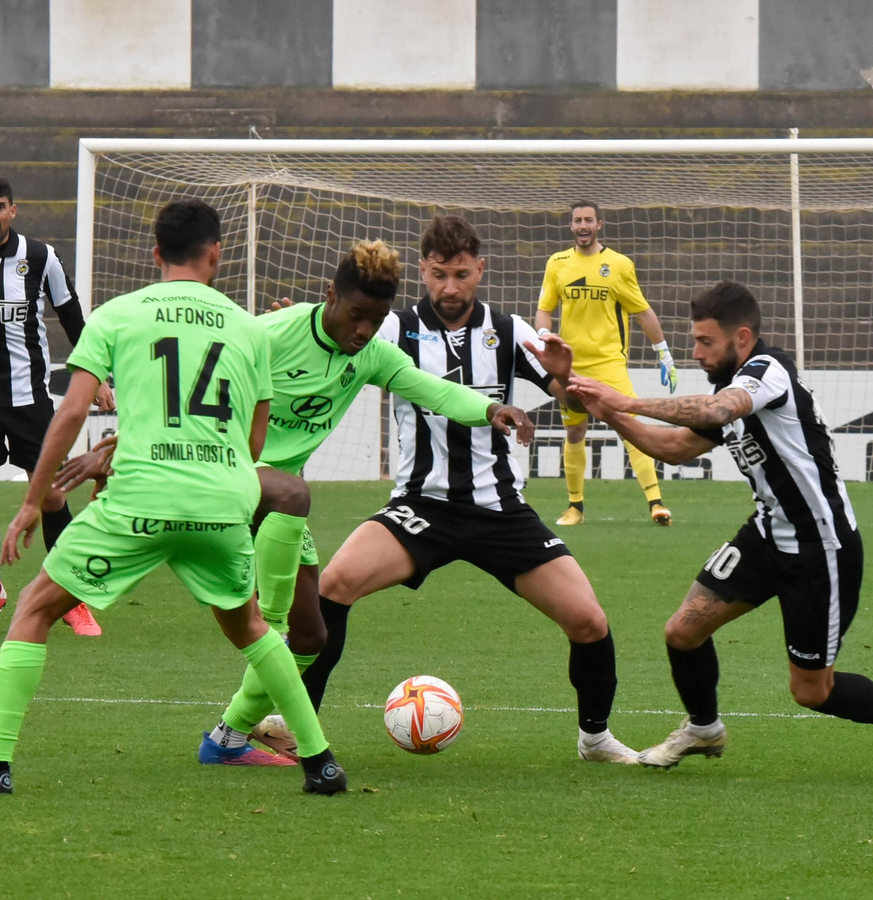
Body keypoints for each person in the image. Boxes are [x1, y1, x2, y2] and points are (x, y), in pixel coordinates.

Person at [58, 239, 534, 765]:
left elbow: (433, 390)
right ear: (330, 295)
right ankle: (269, 622)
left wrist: (490, 408)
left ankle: (228, 738)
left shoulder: (371, 354)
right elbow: (190, 389)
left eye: (375, 321)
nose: (363, 331)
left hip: (277, 499)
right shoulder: (268, 334)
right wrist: (124, 444)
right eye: (356, 316)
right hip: (223, 479)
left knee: (313, 637)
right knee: (290, 510)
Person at [0, 199, 345, 795]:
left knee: (34, 609)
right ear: (216, 255)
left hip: (141, 501)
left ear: (156, 255)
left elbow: (73, 410)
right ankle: (321, 762)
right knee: (252, 626)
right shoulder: (250, 330)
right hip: (222, 503)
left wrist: (32, 501)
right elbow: (254, 441)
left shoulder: (118, 315)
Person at [280, 214, 642, 763]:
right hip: (421, 506)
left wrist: (565, 379)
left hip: (501, 511)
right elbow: (330, 349)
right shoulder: (390, 329)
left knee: (588, 619)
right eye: (439, 275)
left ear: (481, 270)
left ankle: (595, 738)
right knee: (334, 584)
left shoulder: (511, 330)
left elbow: (572, 406)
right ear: (424, 270)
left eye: (462, 275)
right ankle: (294, 723)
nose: (450, 288)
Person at [563, 280, 873, 775]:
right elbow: (676, 447)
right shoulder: (730, 384)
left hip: (820, 548)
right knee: (683, 632)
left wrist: (627, 400)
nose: (696, 352)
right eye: (695, 341)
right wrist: (609, 412)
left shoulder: (767, 371)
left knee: (811, 690)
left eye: (705, 342)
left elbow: (719, 409)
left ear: (741, 338)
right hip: (767, 536)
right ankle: (703, 727)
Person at [0, 174, 114, 637]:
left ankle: (69, 596)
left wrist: (97, 378)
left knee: (51, 496)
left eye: (0, 207)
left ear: (14, 211)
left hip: (31, 400)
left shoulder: (40, 256)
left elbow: (72, 317)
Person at [534, 200, 675, 527]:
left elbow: (642, 311)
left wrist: (663, 352)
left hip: (611, 363)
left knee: (632, 428)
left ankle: (656, 502)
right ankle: (575, 508)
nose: (582, 226)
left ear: (600, 224)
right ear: (571, 226)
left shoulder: (619, 264)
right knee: (574, 431)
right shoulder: (557, 263)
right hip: (572, 365)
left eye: (588, 220)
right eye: (577, 220)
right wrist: (543, 332)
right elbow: (545, 308)